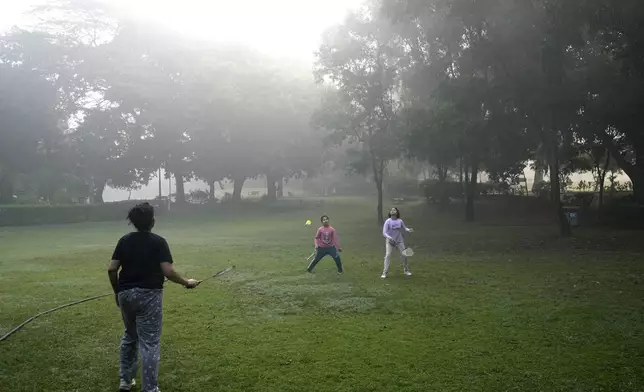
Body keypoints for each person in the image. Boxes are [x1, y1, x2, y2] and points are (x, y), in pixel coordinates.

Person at [107, 202, 199, 392]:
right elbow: (169, 271)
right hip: (149, 297)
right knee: (149, 343)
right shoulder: (158, 242)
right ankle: (149, 388)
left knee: (130, 336)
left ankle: (125, 381)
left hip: (125, 295)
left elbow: (112, 269)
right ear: (152, 221)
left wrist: (117, 292)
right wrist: (187, 282)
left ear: (133, 222)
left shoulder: (124, 240)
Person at [381, 207, 414, 279]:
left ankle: (406, 270)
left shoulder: (400, 221)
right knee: (388, 255)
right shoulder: (388, 221)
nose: (392, 211)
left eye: (394, 210)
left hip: (399, 240)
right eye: (391, 210)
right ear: (390, 213)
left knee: (404, 255)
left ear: (397, 212)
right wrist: (390, 238)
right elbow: (384, 233)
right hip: (390, 241)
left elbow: (404, 228)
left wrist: (409, 230)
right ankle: (384, 272)